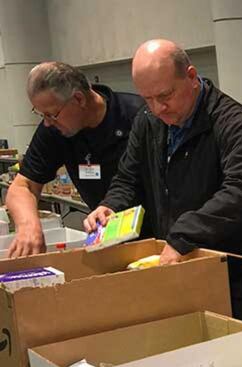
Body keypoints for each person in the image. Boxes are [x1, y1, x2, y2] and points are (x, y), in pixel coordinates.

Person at [84, 40, 242, 337]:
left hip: (236, 266)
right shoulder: (148, 121)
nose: (157, 108)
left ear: (191, 76)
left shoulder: (234, 122)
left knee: (237, 352)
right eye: (146, 98)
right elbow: (128, 178)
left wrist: (184, 234)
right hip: (180, 257)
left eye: (165, 95)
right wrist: (110, 205)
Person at [7, 61, 144, 257]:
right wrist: (29, 226)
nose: (47, 123)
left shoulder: (138, 115)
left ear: (79, 99)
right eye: (41, 114)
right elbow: (23, 186)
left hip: (155, 240)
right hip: (107, 240)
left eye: (51, 114)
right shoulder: (55, 130)